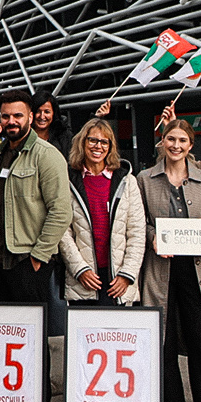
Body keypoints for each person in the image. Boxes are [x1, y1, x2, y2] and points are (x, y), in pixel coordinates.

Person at [137, 117, 201, 402]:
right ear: (162, 141)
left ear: (191, 145)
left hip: (196, 270)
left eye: (182, 141)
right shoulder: (145, 179)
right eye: (171, 139)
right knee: (164, 339)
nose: (176, 146)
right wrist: (153, 237)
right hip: (160, 269)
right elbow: (140, 221)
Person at [0, 91, 72, 303]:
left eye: (18, 116)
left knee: (31, 323)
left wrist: (39, 256)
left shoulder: (47, 155)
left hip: (27, 260)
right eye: (5, 116)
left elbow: (61, 212)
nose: (11, 121)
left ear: (30, 117)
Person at [59, 118, 143, 308]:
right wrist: (80, 269)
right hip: (84, 279)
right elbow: (63, 231)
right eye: (92, 140)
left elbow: (137, 232)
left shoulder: (127, 181)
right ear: (82, 142)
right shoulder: (67, 180)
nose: (98, 146)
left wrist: (127, 274)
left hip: (118, 279)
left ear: (111, 147)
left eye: (104, 142)